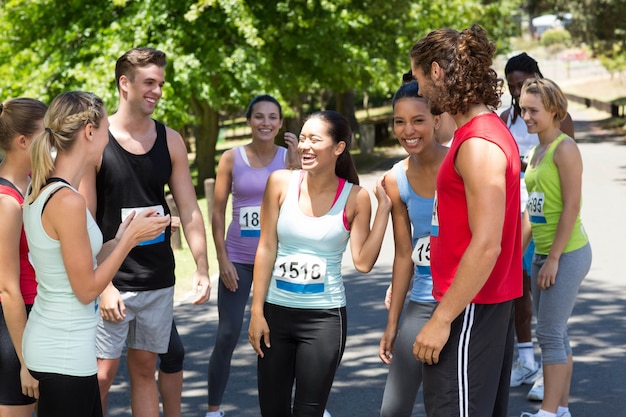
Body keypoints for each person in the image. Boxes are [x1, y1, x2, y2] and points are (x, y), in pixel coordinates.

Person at [78, 47, 211, 417]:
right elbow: (83, 220)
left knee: (144, 370)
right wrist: (102, 286)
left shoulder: (171, 140)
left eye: (161, 83)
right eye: (149, 82)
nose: (157, 91)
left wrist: (201, 266)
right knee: (101, 376)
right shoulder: (97, 141)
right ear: (125, 84)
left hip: (157, 279)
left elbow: (189, 209)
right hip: (110, 280)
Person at [22, 91, 170, 417]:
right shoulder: (67, 201)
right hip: (63, 353)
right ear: (90, 131)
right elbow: (87, 288)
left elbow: (77, 262)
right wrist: (129, 241)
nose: (109, 135)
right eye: (105, 126)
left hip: (67, 350)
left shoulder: (50, 191)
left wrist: (119, 238)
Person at [410, 24, 522, 417]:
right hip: (472, 305)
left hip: (471, 309)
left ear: (438, 71)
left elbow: (488, 243)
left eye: (420, 78)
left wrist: (441, 320)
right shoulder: (475, 133)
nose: (419, 90)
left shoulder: (479, 144)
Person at [248, 110, 391, 417]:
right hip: (275, 314)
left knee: (308, 412)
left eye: (315, 139)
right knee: (272, 411)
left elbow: (363, 262)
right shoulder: (280, 183)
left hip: (324, 320)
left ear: (338, 147)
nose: (305, 146)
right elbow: (266, 248)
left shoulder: (356, 197)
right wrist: (257, 311)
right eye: (302, 139)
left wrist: (383, 210)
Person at [206, 94, 299, 417]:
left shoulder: (289, 158)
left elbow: (305, 205)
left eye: (273, 117)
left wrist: (297, 166)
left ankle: (301, 406)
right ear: (249, 121)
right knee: (228, 332)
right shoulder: (231, 158)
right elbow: (217, 212)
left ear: (280, 123)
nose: (266, 123)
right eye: (259, 116)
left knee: (283, 336)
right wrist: (222, 259)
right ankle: (214, 409)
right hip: (239, 261)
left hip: (277, 262)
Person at [500, 52, 575, 401]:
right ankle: (529, 364)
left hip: (553, 232)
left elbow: (569, 195)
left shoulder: (560, 135)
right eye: (512, 88)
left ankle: (550, 394)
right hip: (521, 219)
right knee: (521, 291)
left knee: (550, 322)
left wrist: (557, 254)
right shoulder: (508, 120)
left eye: (521, 85)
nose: (517, 95)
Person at [519, 77, 591, 417]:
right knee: (556, 333)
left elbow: (571, 207)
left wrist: (554, 260)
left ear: (553, 109)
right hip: (543, 254)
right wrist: (517, 253)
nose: (527, 117)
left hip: (568, 253)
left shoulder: (565, 149)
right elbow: (534, 212)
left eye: (533, 110)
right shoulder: (535, 153)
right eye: (523, 110)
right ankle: (560, 410)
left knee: (548, 332)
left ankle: (547, 412)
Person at [378, 80, 447, 417]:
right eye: (399, 121)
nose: (408, 130)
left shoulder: (460, 165)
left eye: (418, 120)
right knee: (393, 408)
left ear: (437, 119)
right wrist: (393, 324)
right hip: (422, 298)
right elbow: (404, 254)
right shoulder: (395, 179)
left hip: (467, 301)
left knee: (446, 403)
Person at [0, 97, 47, 417]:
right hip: (16, 327)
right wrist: (26, 362)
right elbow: (7, 289)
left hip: (37, 318)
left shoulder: (31, 185)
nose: (53, 141)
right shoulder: (6, 202)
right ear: (23, 141)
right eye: (47, 133)